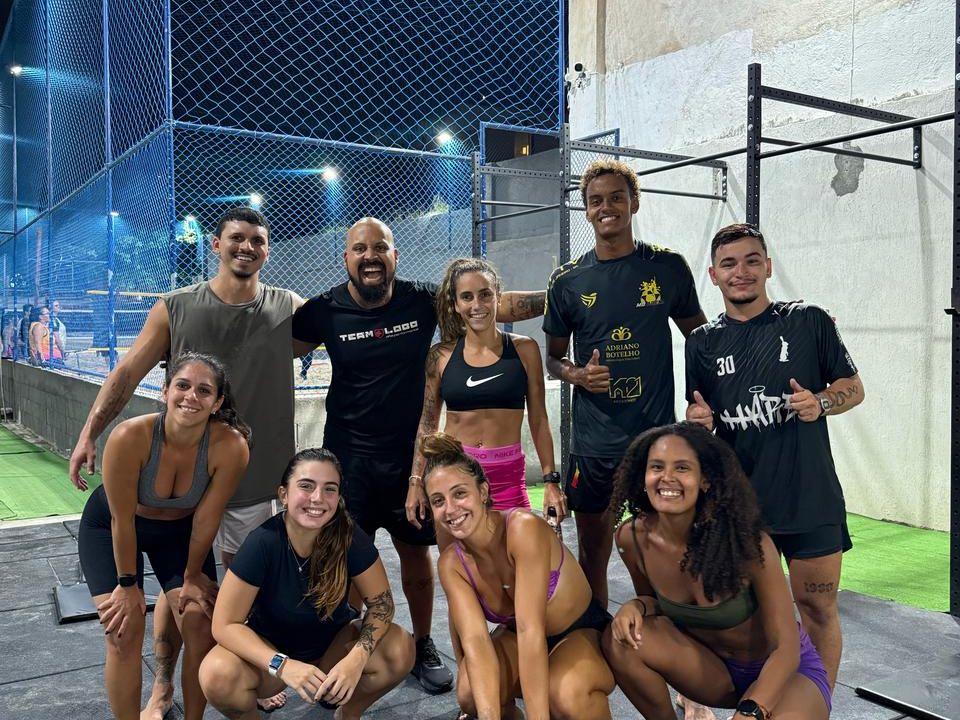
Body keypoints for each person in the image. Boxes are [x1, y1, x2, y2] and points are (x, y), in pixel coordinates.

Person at [292, 217, 546, 693]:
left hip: (410, 460)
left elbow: (492, 303)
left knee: (417, 557)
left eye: (380, 248)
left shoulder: (422, 299)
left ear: (395, 255)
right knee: (346, 560)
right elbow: (272, 342)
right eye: (360, 249)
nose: (370, 256)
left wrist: (571, 294)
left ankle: (423, 644)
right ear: (345, 257)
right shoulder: (324, 310)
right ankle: (346, 650)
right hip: (349, 461)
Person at [69, 207, 303, 717]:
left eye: (257, 240)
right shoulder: (176, 308)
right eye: (236, 238)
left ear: (267, 250)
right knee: (158, 606)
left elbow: (352, 326)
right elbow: (127, 372)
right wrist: (89, 431)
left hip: (247, 483)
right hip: (177, 501)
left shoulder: (287, 307)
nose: (246, 247)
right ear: (215, 244)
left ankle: (246, 670)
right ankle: (163, 687)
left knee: (222, 600)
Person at [685, 222, 864, 693]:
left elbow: (853, 387)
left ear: (767, 266)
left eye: (751, 261)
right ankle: (764, 700)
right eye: (728, 264)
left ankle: (816, 706)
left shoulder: (808, 321)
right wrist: (699, 422)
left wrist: (820, 402)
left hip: (809, 497)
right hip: (742, 507)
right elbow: (703, 416)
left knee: (818, 609)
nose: (740, 272)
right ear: (713, 275)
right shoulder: (701, 342)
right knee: (751, 617)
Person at [543, 159, 706, 608]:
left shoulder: (667, 267)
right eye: (596, 201)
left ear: (634, 202)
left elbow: (700, 339)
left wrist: (700, 402)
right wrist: (577, 374)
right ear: (586, 210)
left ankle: (662, 629)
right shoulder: (567, 280)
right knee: (593, 553)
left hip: (654, 441)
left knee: (662, 551)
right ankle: (597, 631)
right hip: (594, 445)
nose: (606, 207)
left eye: (617, 197)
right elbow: (553, 359)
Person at [603, 423, 831, 720]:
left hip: (784, 672)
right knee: (621, 640)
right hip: (714, 673)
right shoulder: (631, 539)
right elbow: (657, 609)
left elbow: (786, 649)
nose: (667, 477)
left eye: (682, 468)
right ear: (643, 476)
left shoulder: (748, 543)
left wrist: (751, 710)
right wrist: (636, 606)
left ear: (705, 480)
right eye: (656, 466)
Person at [77, 352, 251, 720]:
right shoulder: (130, 437)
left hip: (178, 533)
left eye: (204, 391)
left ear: (217, 402)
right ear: (165, 390)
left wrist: (192, 575)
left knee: (200, 624)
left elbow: (207, 518)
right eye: (183, 386)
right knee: (123, 630)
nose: (191, 397)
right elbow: (121, 520)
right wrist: (127, 585)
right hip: (112, 526)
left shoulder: (230, 446)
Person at [199, 448, 415, 719]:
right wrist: (283, 665)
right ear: (283, 494)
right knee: (217, 674)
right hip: (272, 652)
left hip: (332, 648)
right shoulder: (262, 543)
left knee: (400, 648)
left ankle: (348, 714)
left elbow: (381, 605)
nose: (317, 498)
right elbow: (225, 624)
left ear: (338, 498)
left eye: (329, 489)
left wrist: (357, 659)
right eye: (306, 486)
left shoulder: (349, 537)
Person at [422, 432, 614, 720]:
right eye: (438, 501)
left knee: (565, 694)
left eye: (460, 493)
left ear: (483, 492)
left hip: (579, 631)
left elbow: (530, 632)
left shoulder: (522, 529)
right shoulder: (451, 564)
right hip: (519, 637)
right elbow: (476, 642)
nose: (450, 509)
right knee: (470, 693)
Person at [407, 257, 564, 538]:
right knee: (458, 562)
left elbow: (539, 420)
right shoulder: (440, 357)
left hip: (508, 480)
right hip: (454, 477)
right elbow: (427, 424)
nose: (476, 305)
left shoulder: (525, 350)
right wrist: (416, 481)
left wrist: (551, 481)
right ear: (456, 304)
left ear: (498, 297)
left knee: (516, 560)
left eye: (485, 295)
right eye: (467, 297)